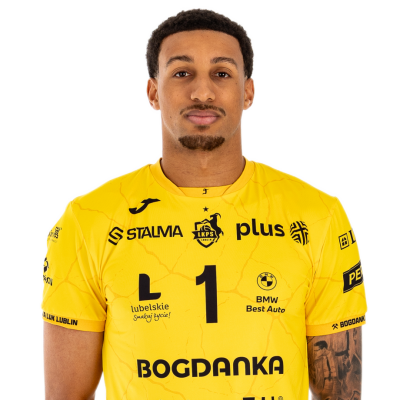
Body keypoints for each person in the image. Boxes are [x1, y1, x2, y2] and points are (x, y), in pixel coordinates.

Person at [41, 7, 368, 400]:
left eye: (221, 73)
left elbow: (341, 394)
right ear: (153, 92)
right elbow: (66, 396)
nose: (202, 92)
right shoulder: (87, 221)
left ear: (248, 92)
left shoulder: (318, 216)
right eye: (182, 73)